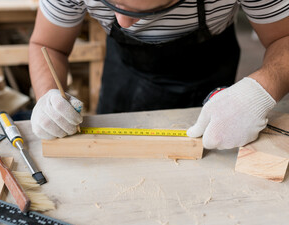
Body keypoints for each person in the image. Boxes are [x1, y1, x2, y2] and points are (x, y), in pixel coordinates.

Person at [29, 0, 289, 149]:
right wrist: (48, 96)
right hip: (125, 76)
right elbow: (48, 45)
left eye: (142, 11)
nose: (122, 22)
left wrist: (259, 91)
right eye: (112, 3)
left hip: (208, 70)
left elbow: (284, 37)